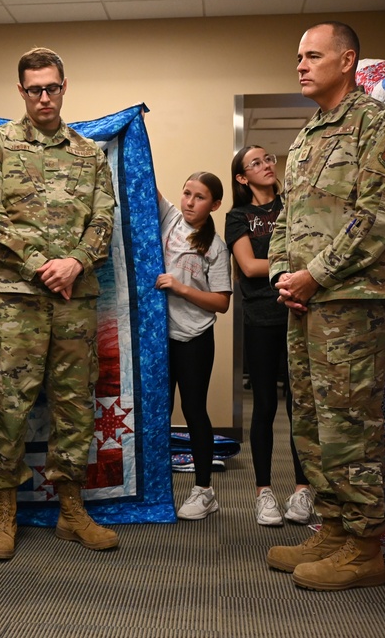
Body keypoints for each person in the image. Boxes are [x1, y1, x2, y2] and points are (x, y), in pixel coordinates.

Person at [266, 21, 385, 592]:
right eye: (298, 56)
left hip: (349, 301)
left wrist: (315, 275)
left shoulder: (376, 123)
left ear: (348, 60)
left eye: (312, 55)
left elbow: (379, 215)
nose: (300, 64)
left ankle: (364, 546)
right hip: (303, 303)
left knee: (349, 424)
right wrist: (283, 273)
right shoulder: (307, 136)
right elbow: (286, 217)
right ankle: (333, 527)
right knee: (310, 421)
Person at [0, 47, 118, 560]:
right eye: (35, 89)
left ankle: (71, 511)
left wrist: (74, 261)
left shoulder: (90, 153)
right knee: (9, 405)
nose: (45, 97)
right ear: (22, 91)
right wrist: (38, 264)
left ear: (64, 86)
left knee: (74, 405)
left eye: (52, 87)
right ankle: (4, 512)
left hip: (75, 297)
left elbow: (103, 219)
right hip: (14, 298)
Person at [226, 147, 311, 527]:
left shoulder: (295, 204)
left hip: (299, 314)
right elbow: (248, 265)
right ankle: (263, 493)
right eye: (255, 162)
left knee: (301, 405)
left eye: (268, 159)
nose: (266, 165)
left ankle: (303, 490)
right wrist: (297, 269)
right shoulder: (238, 216)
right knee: (264, 405)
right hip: (261, 317)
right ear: (242, 178)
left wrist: (296, 271)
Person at [157, 174, 232, 520]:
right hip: (160, 336)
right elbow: (147, 179)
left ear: (214, 205)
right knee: (159, 410)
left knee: (193, 410)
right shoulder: (170, 219)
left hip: (194, 338)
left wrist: (181, 288)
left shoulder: (215, 247)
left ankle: (204, 491)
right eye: (186, 193)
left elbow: (220, 302)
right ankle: (157, 491)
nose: (189, 201)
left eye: (199, 197)